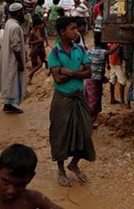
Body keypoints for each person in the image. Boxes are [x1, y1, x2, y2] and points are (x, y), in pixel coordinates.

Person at [48, 16, 96, 187]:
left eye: (76, 28)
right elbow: (58, 79)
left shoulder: (80, 50)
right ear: (62, 32)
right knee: (60, 134)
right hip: (62, 99)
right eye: (72, 29)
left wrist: (69, 72)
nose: (76, 31)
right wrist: (78, 71)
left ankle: (74, 163)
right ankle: (61, 170)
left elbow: (89, 73)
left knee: (86, 132)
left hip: (79, 98)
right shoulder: (54, 53)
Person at [0, 144, 62, 209]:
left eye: (20, 184)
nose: (11, 191)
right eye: (6, 182)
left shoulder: (34, 199)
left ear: (30, 177)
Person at [0, 3, 27, 114]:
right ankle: (10, 104)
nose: (23, 14)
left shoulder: (9, 23)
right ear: (18, 12)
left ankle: (8, 103)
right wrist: (19, 62)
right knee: (13, 80)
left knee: (9, 79)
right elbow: (16, 46)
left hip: (8, 57)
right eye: (22, 11)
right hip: (13, 59)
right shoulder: (15, 26)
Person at [86, 43, 108, 126]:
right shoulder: (102, 52)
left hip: (90, 79)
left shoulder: (92, 50)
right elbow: (109, 52)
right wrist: (118, 44)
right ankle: (88, 123)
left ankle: (90, 122)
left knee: (92, 100)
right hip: (94, 80)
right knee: (93, 102)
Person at [27, 16, 47, 84]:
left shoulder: (38, 30)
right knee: (39, 64)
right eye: (39, 24)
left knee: (34, 65)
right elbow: (29, 42)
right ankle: (29, 74)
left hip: (39, 49)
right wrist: (38, 41)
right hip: (34, 50)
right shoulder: (32, 32)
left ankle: (29, 80)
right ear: (36, 25)